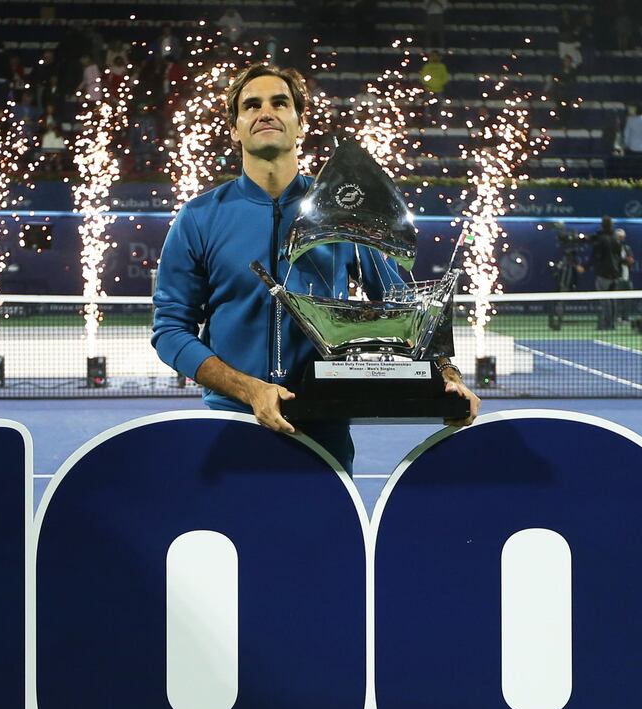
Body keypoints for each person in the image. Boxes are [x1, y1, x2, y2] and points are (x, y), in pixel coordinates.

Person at [152, 65, 479, 484]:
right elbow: (170, 331)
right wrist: (250, 391)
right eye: (251, 105)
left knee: (325, 549)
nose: (265, 112)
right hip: (233, 424)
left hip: (325, 430)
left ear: (300, 124)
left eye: (279, 103)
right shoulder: (198, 217)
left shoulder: (344, 211)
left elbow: (408, 314)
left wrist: (448, 379)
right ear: (235, 128)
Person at [591, 215, 624, 330]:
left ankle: (607, 324)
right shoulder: (616, 240)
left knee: (605, 300)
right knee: (612, 300)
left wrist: (586, 266)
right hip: (615, 274)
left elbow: (596, 255)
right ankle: (612, 323)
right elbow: (619, 257)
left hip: (604, 274)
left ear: (602, 225)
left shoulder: (601, 239)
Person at [623, 103, 642, 180]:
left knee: (632, 170)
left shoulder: (630, 120)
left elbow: (627, 134)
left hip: (632, 148)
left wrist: (627, 145)